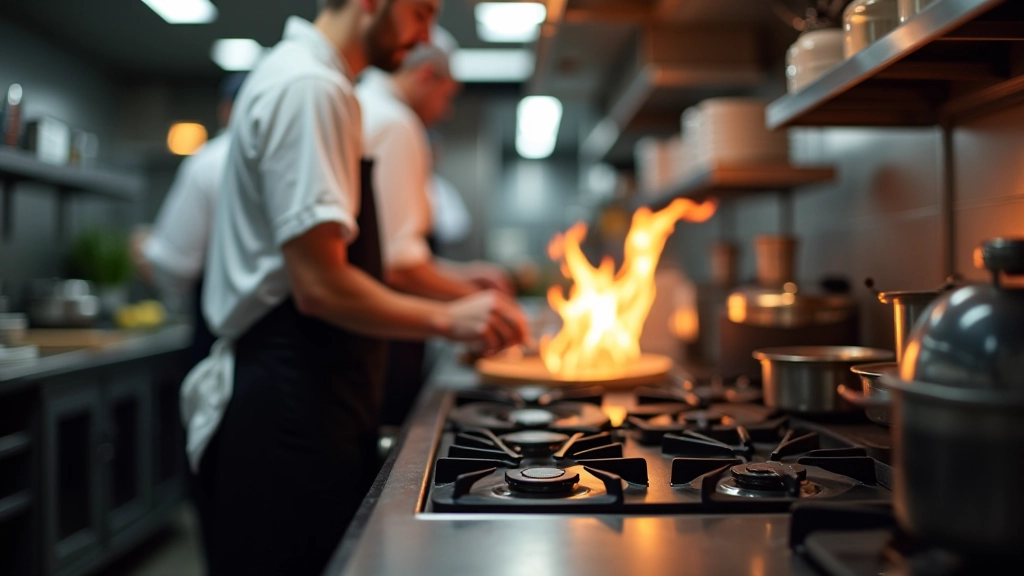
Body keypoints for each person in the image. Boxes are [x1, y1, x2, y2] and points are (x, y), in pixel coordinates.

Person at [181, 1, 528, 575]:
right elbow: (318, 285)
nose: (424, 37)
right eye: (420, 13)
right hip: (287, 403)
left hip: (305, 390)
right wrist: (451, 318)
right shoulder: (310, 88)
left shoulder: (317, 82)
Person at [357, 39, 514, 424]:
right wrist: (483, 308)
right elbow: (396, 266)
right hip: (373, 339)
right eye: (448, 95)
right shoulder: (395, 122)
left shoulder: (362, 106)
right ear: (427, 75)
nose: (445, 111)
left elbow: (387, 249)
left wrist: (463, 277)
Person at [134, 72, 247, 370]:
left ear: (225, 109)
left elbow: (176, 267)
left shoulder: (209, 161)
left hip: (218, 334)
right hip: (287, 342)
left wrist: (144, 250)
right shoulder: (286, 157)